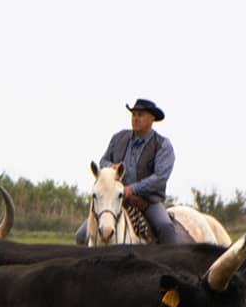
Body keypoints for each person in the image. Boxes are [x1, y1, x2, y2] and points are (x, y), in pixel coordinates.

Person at [75, 98, 181, 244]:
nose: (136, 119)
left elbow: (160, 178)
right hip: (115, 199)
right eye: (134, 115)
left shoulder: (162, 145)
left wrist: (132, 189)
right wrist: (111, 167)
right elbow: (103, 161)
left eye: (140, 115)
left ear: (152, 118)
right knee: (81, 236)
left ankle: (173, 262)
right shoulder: (119, 138)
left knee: (166, 228)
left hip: (147, 202)